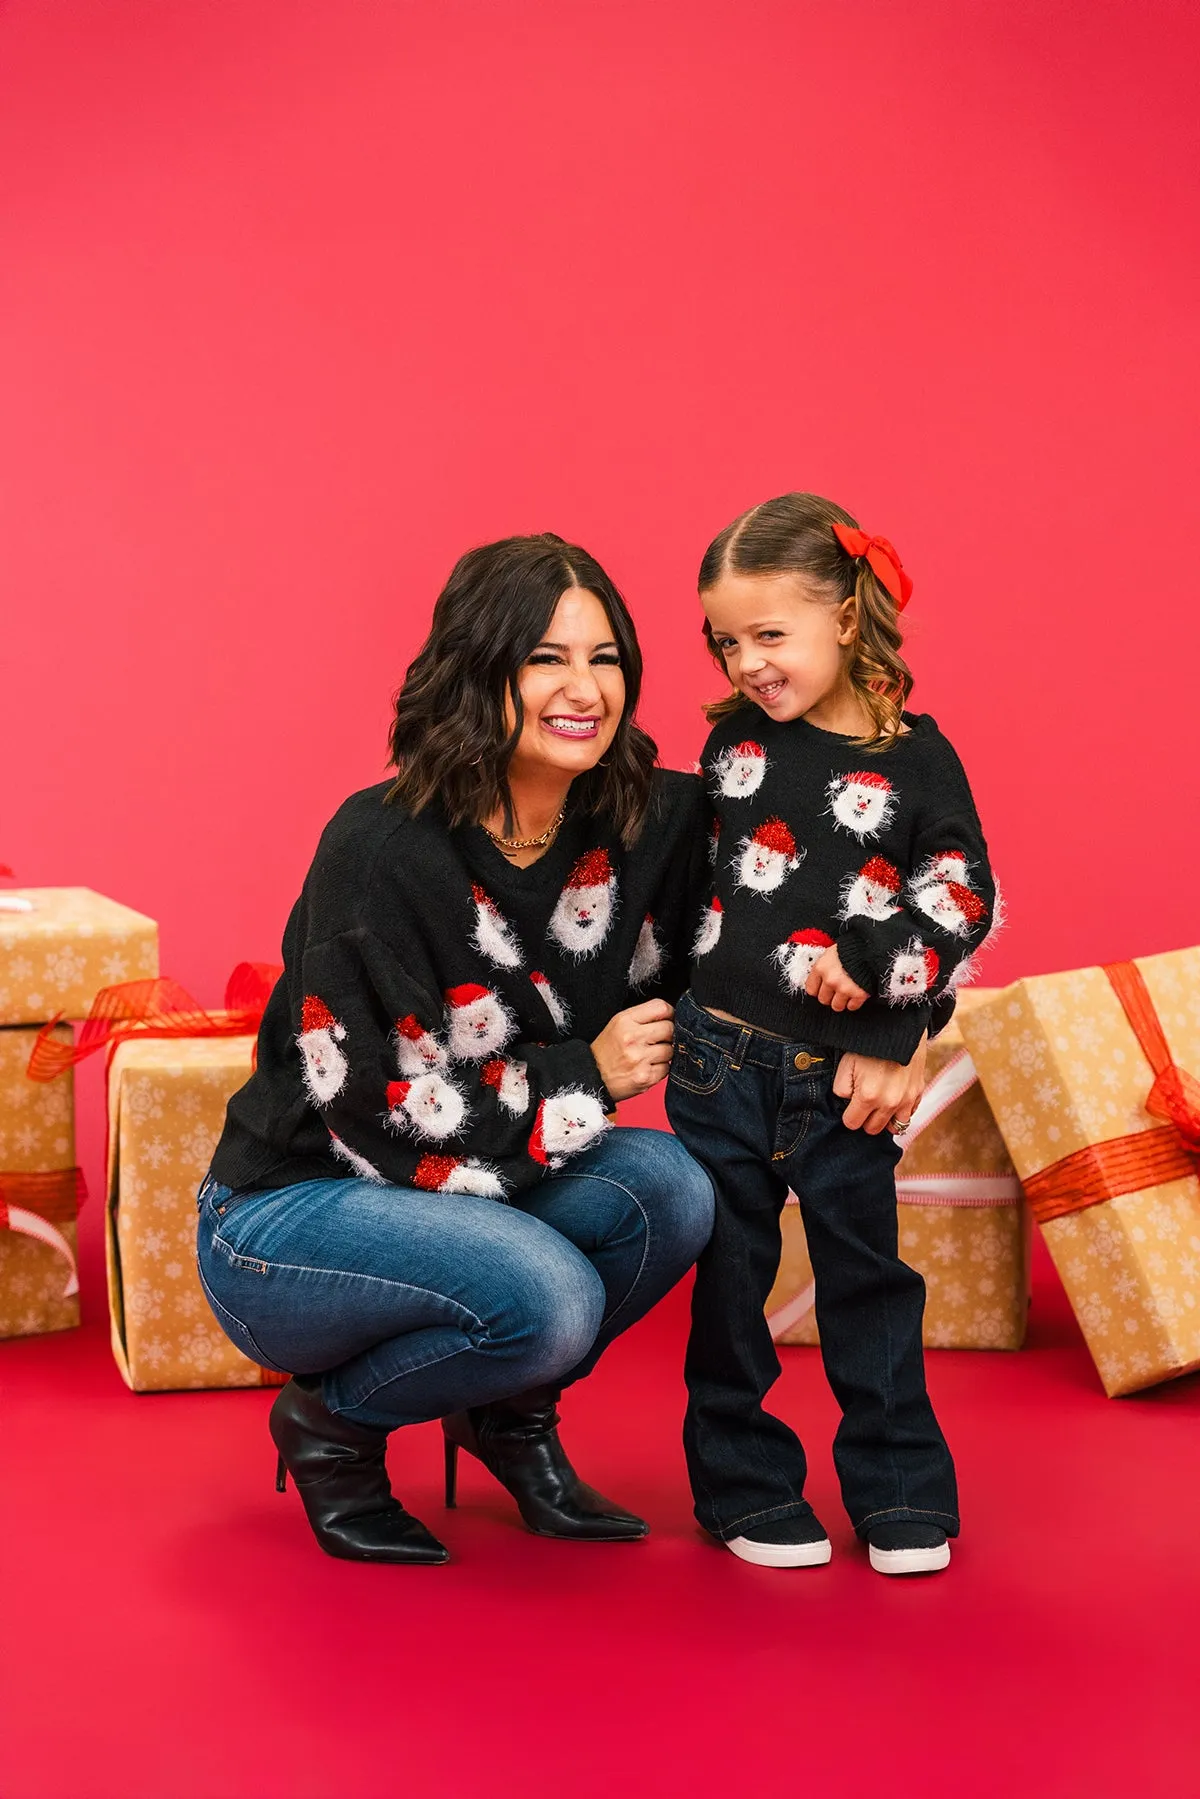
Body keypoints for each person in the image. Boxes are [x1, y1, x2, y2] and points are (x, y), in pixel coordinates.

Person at [198, 534, 714, 1565]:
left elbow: (793, 873)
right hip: (294, 1212)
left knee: (669, 1189)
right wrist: (587, 1072)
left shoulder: (644, 814)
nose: (585, 688)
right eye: (546, 658)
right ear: (481, 670)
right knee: (550, 1296)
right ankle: (332, 1430)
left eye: (605, 657)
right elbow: (373, 1106)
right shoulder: (380, 844)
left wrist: (888, 1036)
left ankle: (502, 1413)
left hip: (474, 1188)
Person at [666, 492, 996, 1576]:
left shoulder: (921, 759)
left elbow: (959, 901)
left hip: (841, 1083)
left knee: (870, 1283)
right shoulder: (730, 750)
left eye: (770, 633)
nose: (748, 661)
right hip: (717, 1063)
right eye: (727, 640)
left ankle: (901, 1490)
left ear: (846, 617)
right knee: (729, 1285)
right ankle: (745, 1487)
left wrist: (891, 1014)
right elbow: (682, 894)